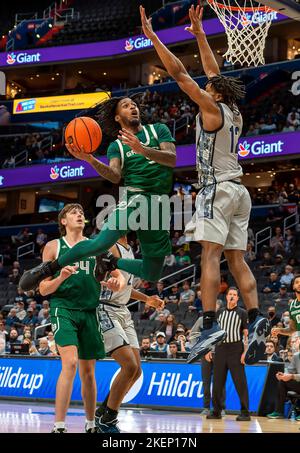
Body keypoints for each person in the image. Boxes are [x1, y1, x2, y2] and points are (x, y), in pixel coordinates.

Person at [140, 4, 270, 364]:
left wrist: (154, 39)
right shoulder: (233, 111)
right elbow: (212, 71)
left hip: (217, 189)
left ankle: (210, 322)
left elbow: (181, 75)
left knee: (209, 255)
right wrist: (199, 34)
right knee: (237, 259)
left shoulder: (210, 110)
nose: (205, 84)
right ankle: (257, 316)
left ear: (214, 94)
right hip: (240, 192)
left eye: (208, 86)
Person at [19, 94, 176, 291]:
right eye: (126, 106)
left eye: (134, 105)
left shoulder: (158, 130)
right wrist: (91, 160)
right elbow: (114, 176)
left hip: (158, 204)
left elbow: (171, 159)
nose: (132, 107)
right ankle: (48, 268)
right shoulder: (116, 146)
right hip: (136, 198)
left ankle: (111, 262)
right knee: (100, 243)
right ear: (118, 117)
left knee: (153, 273)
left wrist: (141, 148)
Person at [38, 203, 125, 434]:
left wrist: (118, 282)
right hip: (63, 309)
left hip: (90, 311)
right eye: (73, 213)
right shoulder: (53, 247)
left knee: (88, 372)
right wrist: (61, 277)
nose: (79, 215)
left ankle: (90, 425)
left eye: (81, 213)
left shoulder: (95, 246)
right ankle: (58, 427)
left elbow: (118, 275)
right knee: (71, 363)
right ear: (63, 221)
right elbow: (43, 289)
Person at [95, 235, 164, 433]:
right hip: (106, 308)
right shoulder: (110, 245)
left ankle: (103, 413)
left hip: (123, 311)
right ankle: (108, 419)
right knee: (129, 365)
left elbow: (127, 288)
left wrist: (147, 299)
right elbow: (104, 276)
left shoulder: (129, 249)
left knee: (136, 371)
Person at [205, 288, 250, 421]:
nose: (232, 296)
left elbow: (246, 335)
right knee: (217, 382)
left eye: (234, 295)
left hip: (236, 349)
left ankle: (245, 412)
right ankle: (217, 411)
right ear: (226, 297)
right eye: (230, 294)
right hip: (220, 349)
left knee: (240, 382)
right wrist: (208, 349)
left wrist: (245, 352)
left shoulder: (242, 313)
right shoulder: (219, 312)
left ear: (237, 298)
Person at [266, 349, 300, 420]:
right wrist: (283, 375)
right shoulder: (296, 356)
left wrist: (292, 376)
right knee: (282, 382)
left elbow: (292, 375)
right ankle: (279, 412)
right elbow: (290, 370)